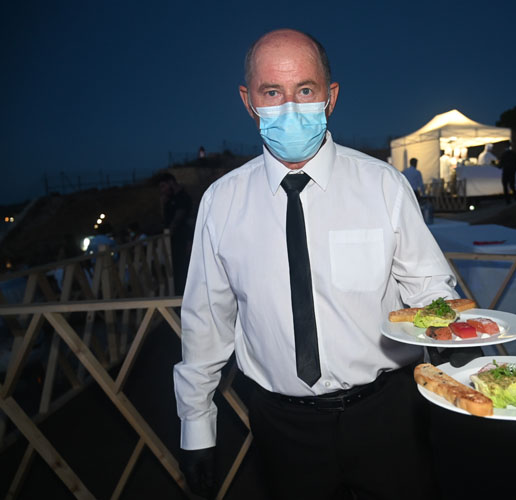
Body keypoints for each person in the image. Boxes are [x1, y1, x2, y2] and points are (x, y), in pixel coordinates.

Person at [173, 29, 457, 500]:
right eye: (272, 92)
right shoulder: (221, 203)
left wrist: (454, 339)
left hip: (388, 416)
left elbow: (428, 285)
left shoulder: (382, 185)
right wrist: (195, 424)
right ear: (248, 101)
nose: (289, 108)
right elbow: (206, 322)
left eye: (305, 90)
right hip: (282, 428)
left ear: (331, 96)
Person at [156, 172, 193, 294]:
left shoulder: (183, 197)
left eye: (163, 186)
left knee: (182, 270)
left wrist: (168, 233)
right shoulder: (169, 199)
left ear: (171, 183)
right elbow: (165, 220)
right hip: (172, 241)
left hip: (183, 240)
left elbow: (178, 219)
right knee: (174, 271)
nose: (162, 190)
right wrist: (162, 205)